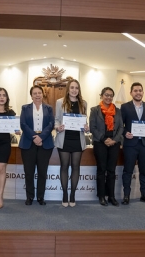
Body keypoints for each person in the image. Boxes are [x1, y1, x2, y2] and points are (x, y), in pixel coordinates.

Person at [120, 82, 145, 205]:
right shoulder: (125, 107)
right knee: (128, 171)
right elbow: (121, 125)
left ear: (143, 92)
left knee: (144, 171)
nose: (138, 93)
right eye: (135, 90)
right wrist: (125, 133)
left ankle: (144, 194)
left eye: (140, 90)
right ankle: (126, 195)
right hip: (130, 144)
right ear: (131, 93)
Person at [55, 79, 89, 207]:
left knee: (76, 167)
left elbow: (85, 121)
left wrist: (87, 127)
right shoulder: (60, 102)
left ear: (79, 90)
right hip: (64, 139)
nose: (74, 90)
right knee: (64, 166)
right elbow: (56, 120)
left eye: (77, 88)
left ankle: (73, 194)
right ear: (68, 89)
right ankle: (64, 194)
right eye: (72, 87)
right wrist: (58, 127)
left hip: (77, 140)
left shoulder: (83, 103)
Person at [19, 85, 54, 206]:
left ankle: (40, 197)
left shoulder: (49, 108)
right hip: (29, 142)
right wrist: (34, 137)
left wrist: (41, 137)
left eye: (39, 93)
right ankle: (29, 196)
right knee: (29, 172)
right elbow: (23, 124)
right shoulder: (25, 108)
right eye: (35, 93)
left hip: (45, 142)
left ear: (43, 94)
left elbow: (51, 124)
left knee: (42, 172)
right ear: (31, 95)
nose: (37, 95)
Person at [89, 87, 123, 206]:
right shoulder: (95, 110)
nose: (108, 97)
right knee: (101, 170)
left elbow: (121, 128)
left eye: (110, 95)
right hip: (100, 143)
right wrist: (104, 139)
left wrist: (114, 140)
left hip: (114, 143)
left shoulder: (118, 111)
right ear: (101, 96)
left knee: (112, 171)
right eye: (106, 95)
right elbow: (92, 127)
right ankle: (102, 196)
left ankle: (112, 196)